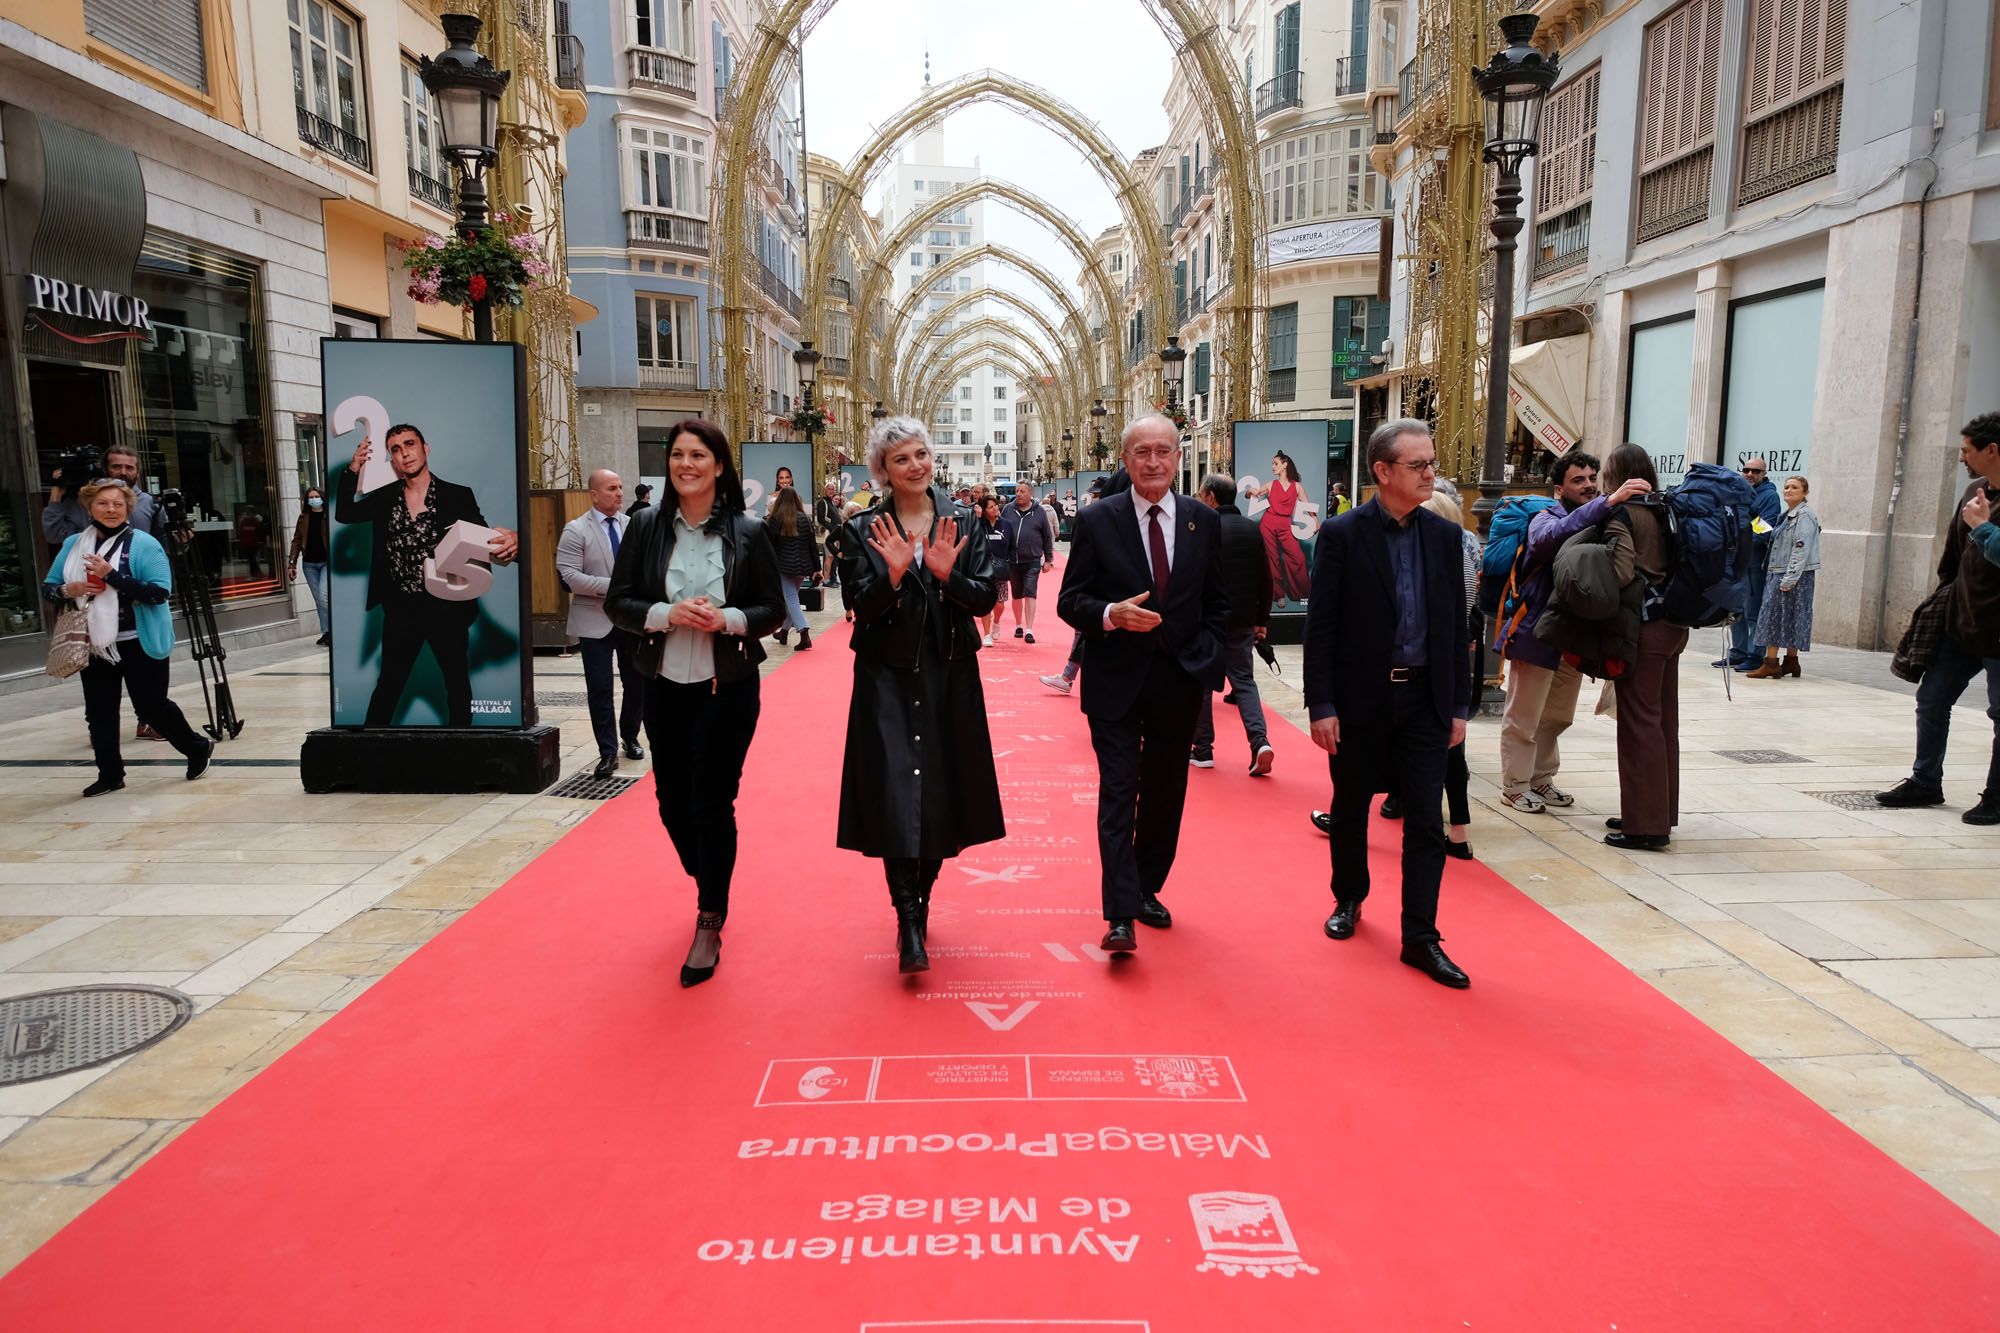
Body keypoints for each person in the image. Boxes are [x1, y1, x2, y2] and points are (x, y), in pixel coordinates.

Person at [605, 419, 784, 986]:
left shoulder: (749, 532)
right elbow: (618, 602)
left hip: (726, 687)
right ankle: (708, 867)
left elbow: (772, 610)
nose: (686, 464)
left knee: (712, 802)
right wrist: (664, 614)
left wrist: (728, 620)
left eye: (698, 455)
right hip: (661, 684)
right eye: (678, 455)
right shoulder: (645, 527)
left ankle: (710, 913)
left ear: (720, 466)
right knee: (669, 800)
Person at [1303, 420, 1474, 989]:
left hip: (1425, 701)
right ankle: (1349, 897)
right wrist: (1320, 703)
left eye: (1431, 463)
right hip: (1359, 701)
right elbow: (1320, 626)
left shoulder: (1446, 538)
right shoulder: (1343, 535)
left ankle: (1421, 937)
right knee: (1350, 808)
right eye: (1418, 465)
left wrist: (1458, 705)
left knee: (1426, 822)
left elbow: (1456, 628)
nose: (1431, 473)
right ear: (1382, 472)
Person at [836, 416, 1005, 973]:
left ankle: (921, 896)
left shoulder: (962, 522)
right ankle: (908, 915)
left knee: (942, 790)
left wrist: (947, 575)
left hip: (948, 670)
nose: (916, 466)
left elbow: (983, 598)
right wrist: (891, 575)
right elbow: (858, 606)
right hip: (886, 675)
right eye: (901, 458)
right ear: (882, 469)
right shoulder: (864, 528)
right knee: (891, 793)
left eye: (922, 455)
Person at [1057, 416, 1227, 953]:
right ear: (1126, 460)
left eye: (1162, 452)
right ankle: (1120, 913)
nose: (1152, 462)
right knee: (1118, 792)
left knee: (1164, 795)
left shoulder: (1204, 520)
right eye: (1141, 453)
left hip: (1179, 680)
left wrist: (1207, 656)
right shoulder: (1098, 521)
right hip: (1115, 682)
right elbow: (1070, 601)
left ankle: (1147, 887)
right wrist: (1110, 614)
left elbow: (1219, 602)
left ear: (1178, 457)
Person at [1494, 451, 1651, 813]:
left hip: (1572, 636)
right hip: (1535, 633)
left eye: (1592, 478)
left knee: (1557, 715)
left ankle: (1541, 778)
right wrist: (1607, 503)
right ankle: (1515, 785)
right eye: (1578, 480)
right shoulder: (1545, 517)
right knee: (1524, 716)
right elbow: (1548, 540)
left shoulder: (1598, 517)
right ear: (1559, 487)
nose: (1589, 485)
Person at [335, 422, 520, 727]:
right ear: (391, 459)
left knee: (457, 684)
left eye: (410, 444)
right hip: (401, 608)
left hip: (447, 607)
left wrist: (511, 540)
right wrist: (352, 469)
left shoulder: (457, 496)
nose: (405, 453)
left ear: (425, 448)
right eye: (396, 449)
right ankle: (368, 755)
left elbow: (483, 539)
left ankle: (461, 751)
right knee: (388, 686)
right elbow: (344, 512)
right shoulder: (384, 499)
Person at [41, 480, 214, 798]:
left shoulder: (145, 544)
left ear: (128, 509)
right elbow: (49, 587)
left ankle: (197, 747)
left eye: (118, 504)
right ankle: (110, 774)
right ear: (89, 507)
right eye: (103, 503)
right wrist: (70, 589)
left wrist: (112, 575)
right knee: (99, 711)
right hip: (95, 642)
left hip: (139, 639)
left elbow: (159, 592)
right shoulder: (74, 545)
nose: (110, 509)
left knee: (151, 706)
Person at [1877, 412, 2000, 824]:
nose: (1961, 456)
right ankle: (1925, 780)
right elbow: (1953, 553)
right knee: (1931, 700)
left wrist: (1983, 528)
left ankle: (1997, 796)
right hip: (1962, 623)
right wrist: (1950, 594)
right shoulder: (1975, 489)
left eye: (1967, 449)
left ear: (1991, 450)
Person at [1595, 444, 1687, 851]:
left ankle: (1646, 825)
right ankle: (1654, 810)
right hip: (1674, 624)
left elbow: (1619, 573)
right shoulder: (1664, 507)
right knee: (1663, 722)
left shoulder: (1624, 513)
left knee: (1638, 724)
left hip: (1643, 627)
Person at [556, 469, 645, 780]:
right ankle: (606, 752)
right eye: (612, 488)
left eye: (620, 487)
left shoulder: (632, 525)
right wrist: (615, 586)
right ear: (594, 494)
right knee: (600, 688)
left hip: (630, 621)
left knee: (637, 683)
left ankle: (630, 736)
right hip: (594, 622)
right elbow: (570, 576)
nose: (619, 493)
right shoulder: (575, 530)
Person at [1190, 472, 1274, 776]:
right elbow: (1266, 579)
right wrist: (1261, 620)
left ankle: (1203, 749)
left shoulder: (1203, 529)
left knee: (1201, 684)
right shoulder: (1253, 530)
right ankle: (1259, 741)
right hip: (1242, 621)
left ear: (1211, 497)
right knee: (1244, 682)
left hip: (1209, 621)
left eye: (1201, 495)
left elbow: (1194, 578)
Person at [1746, 475, 1820, 680]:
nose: (1788, 490)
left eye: (1794, 487)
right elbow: (1772, 536)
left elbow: (1800, 549)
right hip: (1783, 572)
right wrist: (1752, 520)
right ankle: (1791, 662)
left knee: (1774, 616)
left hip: (1789, 574)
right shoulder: (1787, 515)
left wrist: (1789, 578)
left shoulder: (1804, 517)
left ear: (1804, 493)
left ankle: (1770, 663)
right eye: (1786, 486)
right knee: (1789, 617)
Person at [1719, 456, 1785, 670]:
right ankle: (1738, 652)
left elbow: (1765, 530)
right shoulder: (1737, 494)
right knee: (1734, 610)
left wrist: (1741, 532)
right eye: (1746, 469)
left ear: (1764, 474)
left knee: (1753, 613)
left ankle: (1755, 655)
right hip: (1735, 562)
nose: (1749, 474)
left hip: (1753, 563)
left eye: (1755, 471)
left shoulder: (1769, 497)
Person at [42, 443, 167, 545]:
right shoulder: (83, 501)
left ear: (138, 473)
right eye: (116, 467)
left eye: (129, 468)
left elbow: (164, 545)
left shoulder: (150, 502)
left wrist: (180, 540)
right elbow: (54, 537)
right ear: (105, 469)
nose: (123, 472)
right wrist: (56, 493)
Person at [1243, 451, 1310, 608]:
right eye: (1272, 464)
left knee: (1298, 558)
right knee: (1272, 560)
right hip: (1268, 523)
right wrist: (1249, 491)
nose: (1272, 467)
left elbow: (1307, 506)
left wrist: (1315, 520)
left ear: (1285, 464)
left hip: (1286, 525)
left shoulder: (1297, 486)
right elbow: (1253, 494)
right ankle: (1278, 595)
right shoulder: (1271, 484)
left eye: (1276, 463)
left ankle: (1302, 594)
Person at [1000, 481, 1057, 643]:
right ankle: (1019, 625)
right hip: (1012, 560)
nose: (1018, 494)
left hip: (1032, 559)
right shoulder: (1008, 510)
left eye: (1022, 491)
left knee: (1030, 592)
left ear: (1030, 493)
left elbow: (1047, 536)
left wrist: (1048, 559)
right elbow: (1001, 530)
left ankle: (1029, 629)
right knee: (1016, 594)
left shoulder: (1039, 512)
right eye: (1017, 491)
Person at [767, 486, 821, 651]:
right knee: (793, 599)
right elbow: (812, 544)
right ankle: (783, 632)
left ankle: (804, 632)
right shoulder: (804, 518)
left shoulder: (775, 518)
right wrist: (816, 568)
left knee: (791, 599)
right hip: (803, 566)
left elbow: (769, 545)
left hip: (782, 565)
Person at [288, 486, 332, 646]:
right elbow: (297, 541)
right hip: (309, 565)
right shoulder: (303, 518)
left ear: (322, 497)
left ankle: (334, 630)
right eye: (310, 497)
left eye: (316, 496)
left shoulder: (330, 516)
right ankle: (327, 633)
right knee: (319, 600)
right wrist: (291, 563)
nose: (313, 500)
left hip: (327, 562)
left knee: (323, 596)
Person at [979, 495, 1013, 646]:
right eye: (991, 507)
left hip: (1001, 568)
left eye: (996, 505)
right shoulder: (979, 525)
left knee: (999, 603)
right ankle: (986, 634)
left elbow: (1012, 546)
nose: (995, 509)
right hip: (983, 568)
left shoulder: (1006, 524)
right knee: (985, 601)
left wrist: (1010, 564)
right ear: (984, 511)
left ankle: (997, 621)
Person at [815, 481, 846, 586]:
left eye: (833, 489)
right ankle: (826, 580)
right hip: (829, 535)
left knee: (833, 558)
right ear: (825, 490)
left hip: (833, 535)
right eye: (829, 488)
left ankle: (832, 578)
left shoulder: (831, 503)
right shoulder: (822, 502)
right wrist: (833, 530)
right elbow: (821, 519)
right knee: (829, 558)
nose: (831, 491)